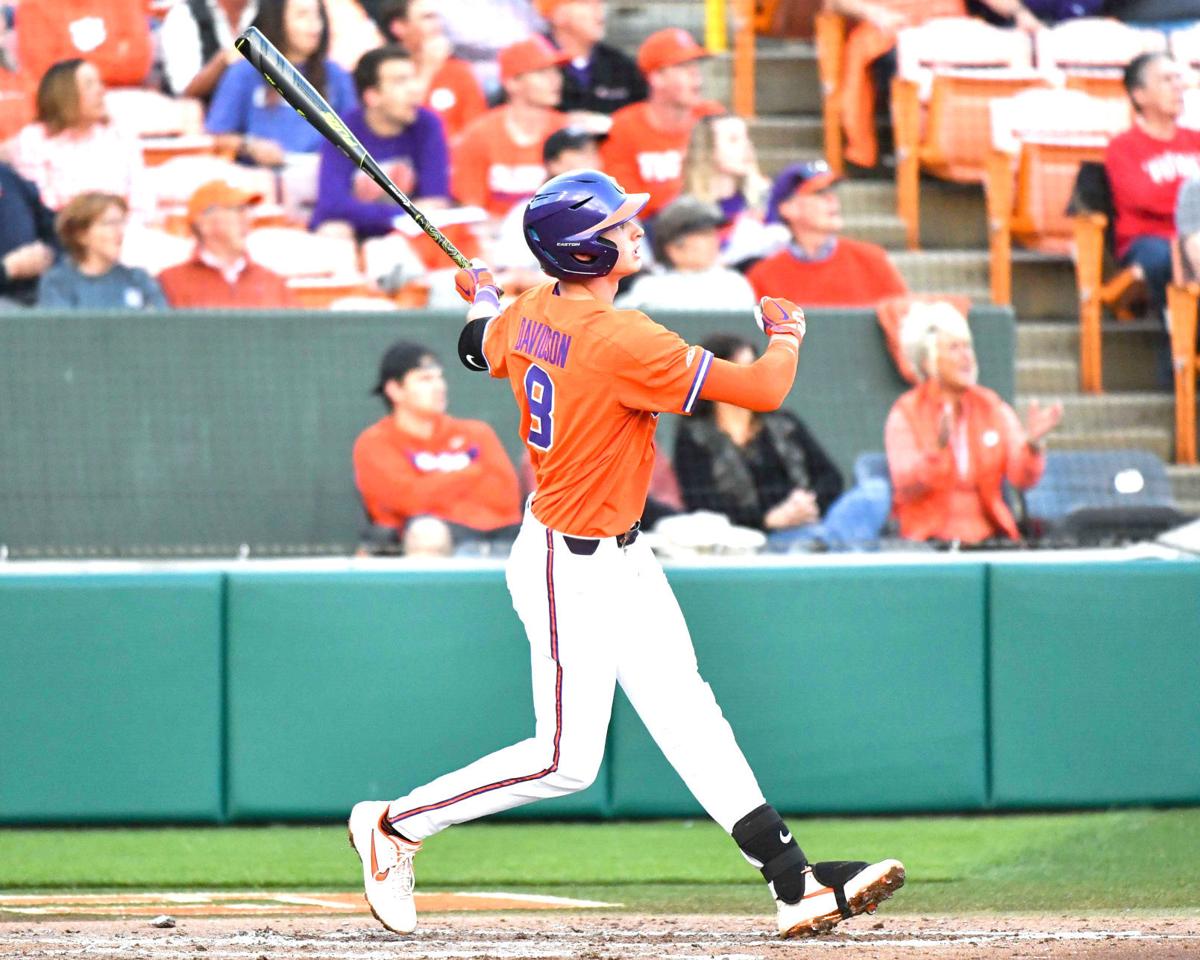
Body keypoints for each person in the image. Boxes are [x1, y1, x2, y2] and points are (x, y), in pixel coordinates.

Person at [346, 169, 906, 939]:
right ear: (581, 254)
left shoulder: (531, 310)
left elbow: (478, 347)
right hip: (564, 563)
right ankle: (395, 825)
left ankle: (792, 879)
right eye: (616, 227)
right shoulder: (620, 336)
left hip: (623, 555)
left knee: (688, 708)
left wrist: (482, 297)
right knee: (563, 761)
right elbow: (766, 389)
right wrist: (787, 331)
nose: (633, 230)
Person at [674, 333, 892, 551]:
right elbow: (701, 504)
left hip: (814, 521)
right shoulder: (694, 437)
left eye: (755, 368)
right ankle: (827, 547)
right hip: (758, 537)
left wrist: (808, 504)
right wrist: (768, 519)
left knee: (875, 491)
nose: (753, 378)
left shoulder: (784, 423)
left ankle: (822, 544)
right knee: (833, 537)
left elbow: (830, 476)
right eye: (743, 370)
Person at [884, 301, 1062, 545]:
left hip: (991, 539)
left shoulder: (991, 406)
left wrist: (1033, 445)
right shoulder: (905, 412)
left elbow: (1021, 479)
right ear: (928, 361)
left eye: (968, 347)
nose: (967, 357)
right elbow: (905, 483)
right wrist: (936, 451)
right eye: (954, 348)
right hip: (928, 541)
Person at [353, 340, 523, 556]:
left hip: (501, 531)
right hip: (424, 541)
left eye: (439, 377)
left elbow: (506, 496)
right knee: (427, 533)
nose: (439, 386)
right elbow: (407, 500)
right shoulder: (375, 441)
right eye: (425, 379)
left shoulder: (477, 432)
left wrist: (432, 489)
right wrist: (472, 474)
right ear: (395, 390)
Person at [827, 0, 1041, 170]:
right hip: (891, 29)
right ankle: (911, 147)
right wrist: (874, 13)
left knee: (1010, 52)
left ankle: (980, 149)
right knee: (897, 64)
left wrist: (1019, 13)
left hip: (951, 31)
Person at [310, 45, 450, 239]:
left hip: (403, 235)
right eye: (400, 81)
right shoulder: (341, 130)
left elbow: (435, 200)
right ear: (372, 96)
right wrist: (407, 213)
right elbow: (332, 203)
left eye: (413, 78)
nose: (415, 89)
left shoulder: (427, 125)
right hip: (354, 232)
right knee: (335, 230)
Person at [1105, 53, 1200, 330]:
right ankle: (1175, 354)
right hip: (1149, 242)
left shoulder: (1196, 140)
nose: (1177, 86)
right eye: (1166, 80)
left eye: (1178, 78)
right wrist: (1190, 200)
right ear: (1140, 95)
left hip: (1194, 238)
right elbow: (1143, 197)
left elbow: (1159, 195)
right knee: (1169, 259)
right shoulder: (1123, 147)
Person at [205, 0, 357, 168]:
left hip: (320, 176)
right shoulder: (244, 72)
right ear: (277, 21)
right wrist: (250, 146)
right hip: (261, 178)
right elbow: (217, 135)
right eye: (302, 15)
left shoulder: (336, 74)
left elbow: (357, 136)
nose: (315, 26)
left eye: (318, 15)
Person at [600, 28, 725, 221]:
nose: (695, 74)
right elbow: (626, 204)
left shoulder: (711, 117)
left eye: (696, 66)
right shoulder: (624, 126)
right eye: (683, 67)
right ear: (656, 78)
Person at [747, 161, 908, 307]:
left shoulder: (872, 259)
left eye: (832, 191)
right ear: (789, 208)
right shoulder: (763, 276)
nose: (833, 199)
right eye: (819, 193)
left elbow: (905, 322)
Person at [10, 59, 147, 217]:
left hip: (124, 232)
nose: (101, 91)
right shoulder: (33, 140)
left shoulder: (120, 134)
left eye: (100, 83)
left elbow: (141, 199)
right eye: (89, 85)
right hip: (60, 234)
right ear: (64, 93)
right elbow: (39, 205)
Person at [451, 36, 568, 218]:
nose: (555, 80)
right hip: (494, 239)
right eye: (542, 73)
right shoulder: (479, 134)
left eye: (556, 71)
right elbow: (472, 212)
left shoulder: (567, 131)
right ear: (512, 83)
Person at [491, 125, 603, 283]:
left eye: (594, 151)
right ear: (554, 164)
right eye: (582, 152)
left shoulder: (614, 207)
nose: (593, 158)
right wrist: (578, 282)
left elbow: (638, 268)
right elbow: (514, 277)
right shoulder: (529, 212)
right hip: (549, 299)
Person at [157, 180, 294, 308]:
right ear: (203, 222)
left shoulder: (272, 283)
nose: (248, 218)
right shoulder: (170, 283)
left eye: (249, 210)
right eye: (238, 210)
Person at [618, 196, 757, 312]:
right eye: (704, 234)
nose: (714, 241)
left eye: (713, 234)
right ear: (673, 248)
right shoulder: (650, 290)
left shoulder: (734, 285)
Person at [379, 0, 487, 141]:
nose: (436, 25)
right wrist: (428, 69)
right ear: (399, 27)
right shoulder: (386, 71)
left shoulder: (460, 70)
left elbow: (477, 130)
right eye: (427, 18)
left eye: (436, 17)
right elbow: (398, 125)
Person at [37, 192, 166, 309]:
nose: (120, 231)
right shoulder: (58, 282)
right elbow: (61, 331)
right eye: (110, 223)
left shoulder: (138, 279)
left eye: (122, 223)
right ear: (81, 235)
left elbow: (161, 325)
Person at [681, 112, 775, 266]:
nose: (747, 147)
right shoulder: (684, 210)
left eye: (747, 138)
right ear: (708, 150)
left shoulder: (767, 200)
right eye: (734, 140)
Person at [537, 0, 646, 123]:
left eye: (599, 3)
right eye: (586, 3)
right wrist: (564, 122)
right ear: (558, 15)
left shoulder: (621, 66)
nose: (598, 11)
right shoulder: (531, 63)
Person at [16, 0, 153, 89]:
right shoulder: (33, 5)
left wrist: (68, 58)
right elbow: (45, 74)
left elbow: (138, 66)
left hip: (124, 101)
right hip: (63, 109)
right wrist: (115, 58)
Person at [158, 0, 259, 100]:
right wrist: (222, 61)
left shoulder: (267, 9)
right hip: (207, 110)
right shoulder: (184, 14)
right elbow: (184, 93)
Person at [0, 162, 58, 307]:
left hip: (37, 292)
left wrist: (49, 252)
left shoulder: (6, 177)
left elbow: (51, 228)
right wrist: (6, 269)